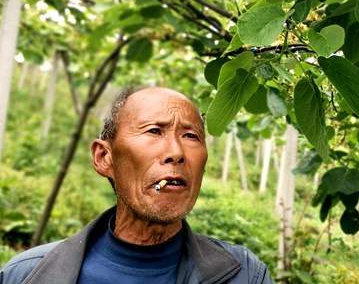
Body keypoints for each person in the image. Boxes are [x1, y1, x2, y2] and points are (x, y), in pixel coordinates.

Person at [0, 87, 273, 284]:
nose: (176, 152)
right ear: (104, 157)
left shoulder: (246, 275)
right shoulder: (25, 275)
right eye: (154, 131)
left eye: (191, 135)